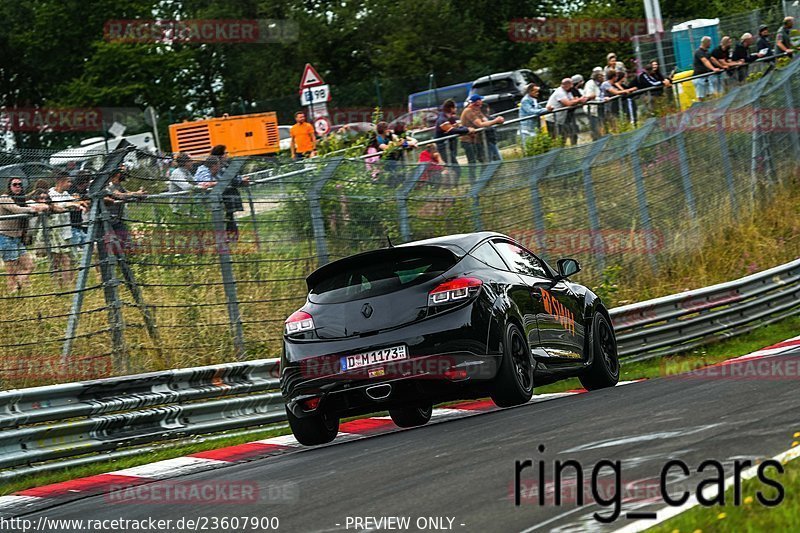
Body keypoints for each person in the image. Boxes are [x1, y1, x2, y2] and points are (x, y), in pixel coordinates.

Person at [0, 178, 48, 292]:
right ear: (9, 186)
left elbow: (27, 198)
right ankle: (13, 293)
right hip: (6, 237)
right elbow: (17, 210)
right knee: (11, 272)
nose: (18, 187)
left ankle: (18, 287)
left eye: (20, 185)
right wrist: (35, 208)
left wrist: (36, 194)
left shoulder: (19, 198)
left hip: (17, 239)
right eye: (15, 184)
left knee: (29, 266)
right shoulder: (4, 198)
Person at [46, 173, 87, 283]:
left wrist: (80, 202)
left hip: (66, 232)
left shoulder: (65, 193)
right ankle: (57, 285)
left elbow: (74, 201)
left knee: (70, 259)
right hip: (55, 232)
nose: (70, 184)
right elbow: (55, 206)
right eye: (68, 181)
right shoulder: (51, 194)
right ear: (61, 182)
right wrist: (70, 204)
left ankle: (69, 284)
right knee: (56, 260)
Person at [459, 94, 505, 182]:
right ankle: (475, 184)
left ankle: (483, 182)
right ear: (474, 103)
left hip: (476, 140)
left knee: (484, 162)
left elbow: (485, 120)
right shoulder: (469, 111)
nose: (481, 104)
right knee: (473, 163)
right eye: (479, 103)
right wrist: (495, 121)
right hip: (468, 141)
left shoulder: (476, 110)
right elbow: (480, 124)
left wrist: (497, 120)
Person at [209, 145, 250, 242]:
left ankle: (232, 239)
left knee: (230, 217)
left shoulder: (226, 165)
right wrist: (241, 180)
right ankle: (228, 239)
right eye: (225, 153)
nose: (227, 154)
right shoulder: (219, 167)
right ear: (221, 155)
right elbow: (227, 180)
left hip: (230, 195)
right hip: (224, 196)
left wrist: (240, 179)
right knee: (227, 217)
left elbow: (233, 177)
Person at [104, 167, 146, 256]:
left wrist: (139, 194)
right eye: (122, 172)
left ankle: (128, 260)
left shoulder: (119, 185)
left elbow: (127, 193)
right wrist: (135, 194)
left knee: (127, 241)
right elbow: (119, 195)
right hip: (107, 221)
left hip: (117, 219)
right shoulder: (108, 185)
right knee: (111, 244)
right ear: (117, 174)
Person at [434, 99, 473, 185]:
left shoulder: (449, 118)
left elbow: (459, 127)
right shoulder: (442, 120)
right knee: (456, 169)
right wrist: (467, 130)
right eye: (454, 107)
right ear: (451, 108)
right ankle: (453, 186)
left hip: (448, 146)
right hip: (443, 147)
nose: (455, 109)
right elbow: (453, 130)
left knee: (452, 168)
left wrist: (464, 129)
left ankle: (451, 186)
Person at [546, 78, 589, 144]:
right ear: (567, 85)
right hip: (552, 119)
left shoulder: (567, 92)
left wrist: (577, 100)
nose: (572, 87)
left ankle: (568, 149)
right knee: (555, 138)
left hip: (560, 118)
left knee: (565, 136)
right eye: (571, 84)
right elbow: (568, 103)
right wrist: (579, 100)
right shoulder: (560, 92)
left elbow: (573, 100)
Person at [693, 36, 722, 101]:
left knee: (710, 94)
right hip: (699, 77)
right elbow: (705, 61)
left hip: (707, 77)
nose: (710, 44)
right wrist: (713, 69)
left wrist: (722, 66)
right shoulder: (698, 52)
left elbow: (712, 59)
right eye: (709, 42)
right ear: (706, 43)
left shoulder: (707, 52)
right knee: (701, 96)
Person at [67, 171, 91, 247]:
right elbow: (75, 199)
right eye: (87, 182)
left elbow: (88, 200)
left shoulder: (84, 191)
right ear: (84, 182)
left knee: (86, 244)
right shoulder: (71, 189)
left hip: (80, 221)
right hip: (71, 222)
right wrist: (83, 202)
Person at [583, 68, 604, 140]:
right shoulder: (590, 83)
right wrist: (598, 97)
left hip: (597, 108)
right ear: (597, 77)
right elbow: (589, 96)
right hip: (591, 109)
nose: (603, 78)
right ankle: (597, 142)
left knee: (600, 126)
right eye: (601, 76)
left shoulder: (599, 84)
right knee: (595, 128)